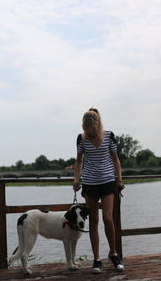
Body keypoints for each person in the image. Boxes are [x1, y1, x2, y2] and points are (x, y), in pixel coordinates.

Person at [73, 107, 125, 274]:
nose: (90, 132)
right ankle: (97, 259)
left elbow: (115, 159)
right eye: (86, 129)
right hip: (89, 184)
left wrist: (119, 179)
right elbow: (79, 161)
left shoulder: (109, 136)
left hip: (108, 182)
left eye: (92, 129)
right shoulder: (81, 139)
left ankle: (113, 253)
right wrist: (76, 179)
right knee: (94, 220)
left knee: (108, 218)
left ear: (97, 124)